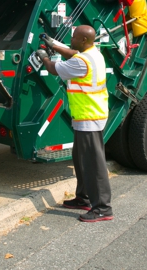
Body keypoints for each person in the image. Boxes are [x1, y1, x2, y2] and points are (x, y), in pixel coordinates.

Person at [37, 25, 113, 222]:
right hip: (86, 117)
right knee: (81, 161)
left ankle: (103, 208)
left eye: (74, 37)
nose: (71, 40)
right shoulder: (92, 53)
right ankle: (84, 198)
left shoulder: (82, 63)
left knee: (93, 164)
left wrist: (43, 55)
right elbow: (72, 53)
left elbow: (54, 69)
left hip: (89, 118)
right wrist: (53, 44)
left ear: (84, 41)